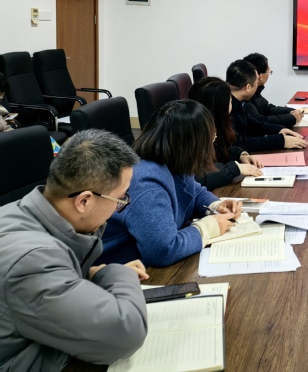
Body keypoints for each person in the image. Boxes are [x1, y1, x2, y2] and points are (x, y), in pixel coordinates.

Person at [0, 129, 148, 371]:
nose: (118, 208)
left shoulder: (23, 211)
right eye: (120, 199)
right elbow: (126, 333)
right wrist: (116, 272)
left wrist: (89, 274)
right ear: (84, 201)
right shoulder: (32, 260)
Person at [98, 100, 243, 267]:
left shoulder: (173, 159)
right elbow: (163, 251)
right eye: (212, 138)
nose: (212, 144)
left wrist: (215, 205)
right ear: (193, 145)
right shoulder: (147, 183)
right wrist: (208, 228)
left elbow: (193, 191)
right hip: (126, 269)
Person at [188, 76, 264, 190]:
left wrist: (240, 155)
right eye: (230, 100)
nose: (231, 102)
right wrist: (235, 169)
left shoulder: (212, 125)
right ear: (220, 107)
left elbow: (219, 150)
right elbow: (197, 178)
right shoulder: (193, 136)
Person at [227, 60, 308, 152]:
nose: (257, 86)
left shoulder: (239, 102)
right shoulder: (225, 106)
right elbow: (238, 143)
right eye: (256, 82)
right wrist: (281, 141)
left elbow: (253, 124)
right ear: (248, 87)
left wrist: (279, 130)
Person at [243, 52, 303, 128]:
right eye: (268, 71)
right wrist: (292, 118)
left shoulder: (256, 92)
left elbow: (268, 109)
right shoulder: (246, 95)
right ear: (260, 76)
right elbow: (259, 121)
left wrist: (291, 111)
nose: (269, 73)